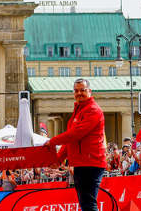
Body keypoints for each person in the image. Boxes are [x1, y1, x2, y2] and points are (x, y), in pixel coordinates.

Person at [46, 78, 105, 211]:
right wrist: (59, 159)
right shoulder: (79, 110)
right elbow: (71, 139)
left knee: (88, 205)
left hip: (90, 163)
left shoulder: (92, 110)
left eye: (82, 90)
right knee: (86, 204)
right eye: (76, 91)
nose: (79, 93)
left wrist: (52, 141)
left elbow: (76, 134)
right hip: (82, 163)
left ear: (89, 91)